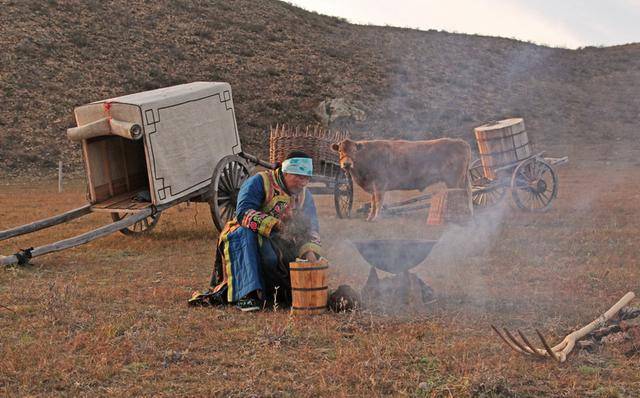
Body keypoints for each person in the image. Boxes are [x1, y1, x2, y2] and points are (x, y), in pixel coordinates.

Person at [200, 151, 322, 312]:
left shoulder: (305, 196)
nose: (303, 182)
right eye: (299, 177)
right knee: (248, 237)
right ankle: (247, 296)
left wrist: (310, 252)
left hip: (281, 239)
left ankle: (275, 294)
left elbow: (311, 226)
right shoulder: (260, 181)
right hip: (246, 232)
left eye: (307, 178)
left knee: (288, 258)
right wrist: (277, 225)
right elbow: (243, 212)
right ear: (285, 171)